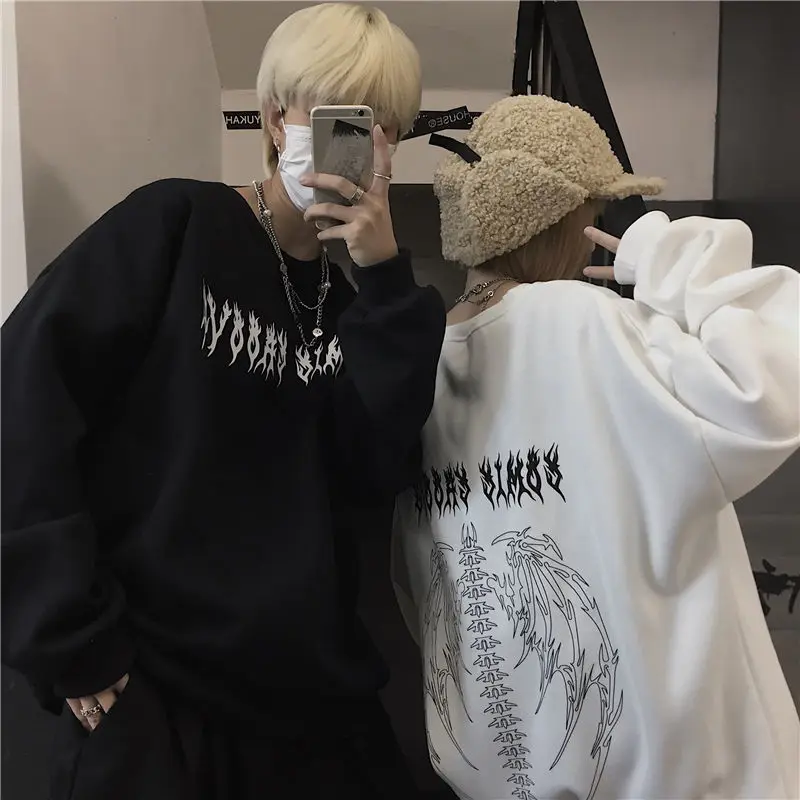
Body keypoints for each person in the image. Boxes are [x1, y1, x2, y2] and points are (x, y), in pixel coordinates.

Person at [2, 4, 445, 799]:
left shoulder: (355, 312)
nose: (360, 143)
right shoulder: (175, 227)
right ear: (276, 119)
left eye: (381, 128)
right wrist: (68, 636)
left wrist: (382, 278)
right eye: (338, 116)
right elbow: (24, 400)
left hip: (312, 705)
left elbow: (372, 474)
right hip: (161, 701)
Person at [392, 94, 799, 800]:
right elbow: (770, 391)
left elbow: (415, 591)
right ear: (562, 217)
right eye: (595, 212)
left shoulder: (418, 364)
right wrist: (674, 266)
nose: (594, 235)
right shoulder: (588, 323)